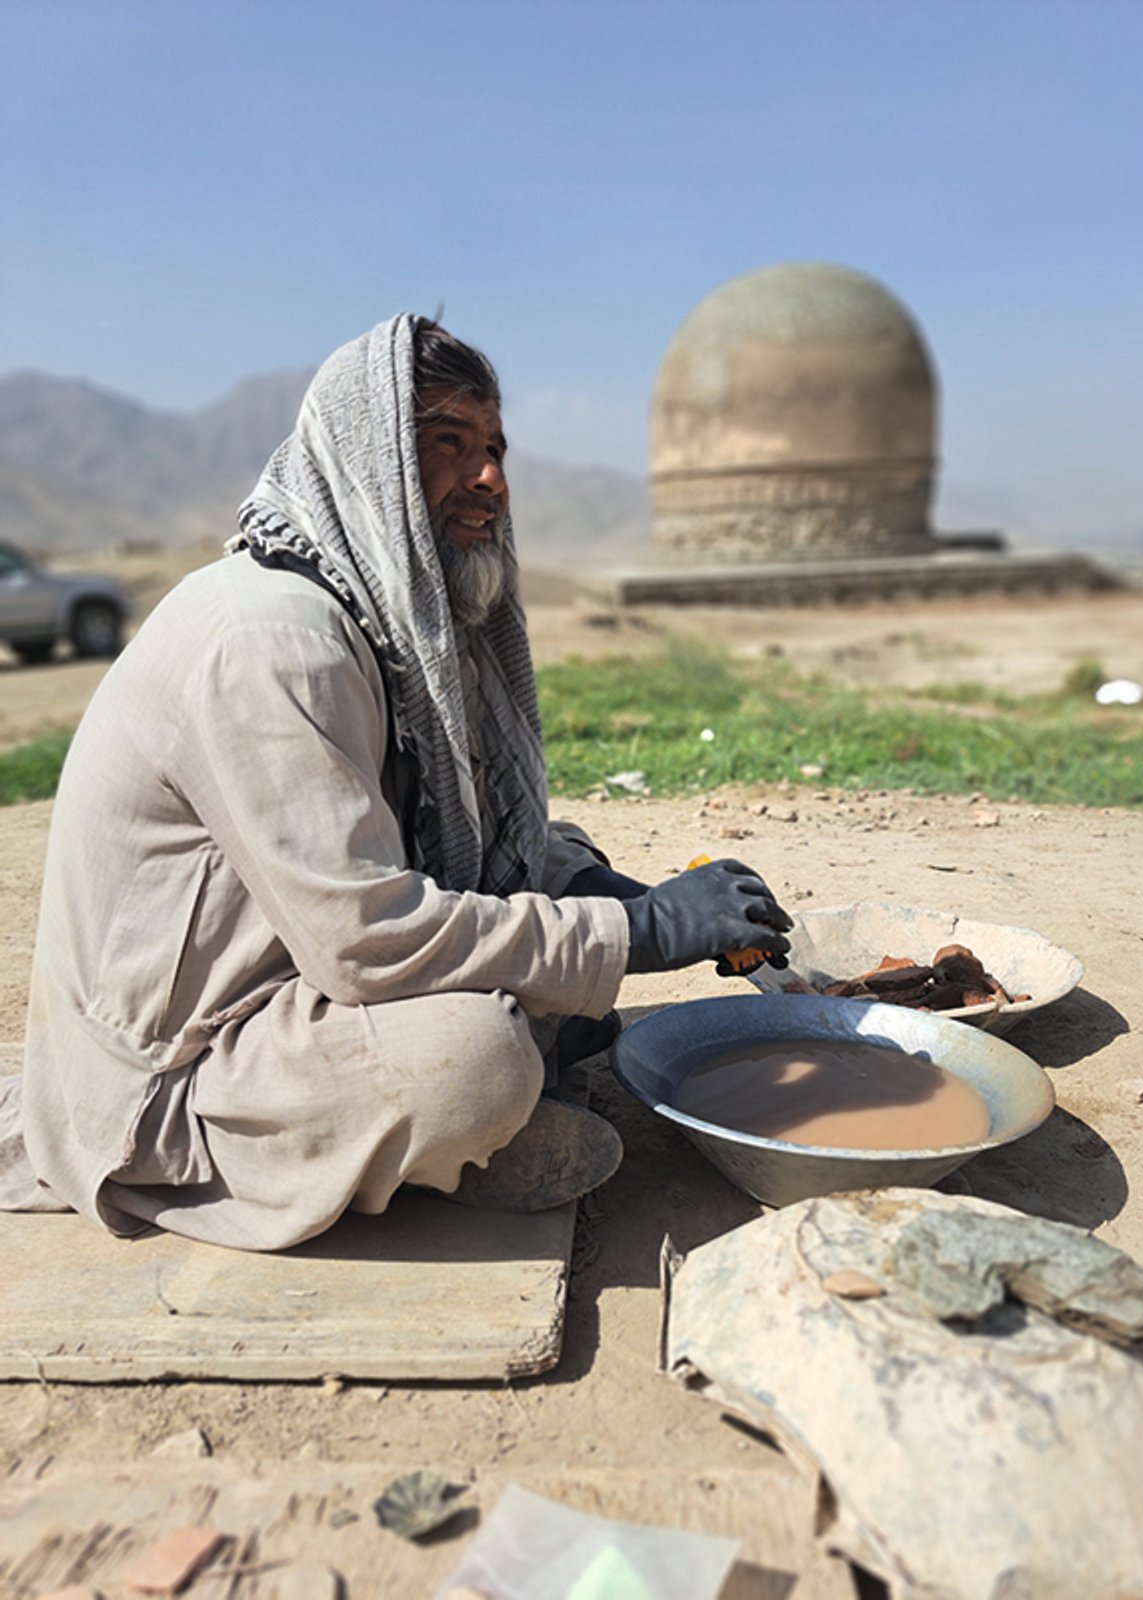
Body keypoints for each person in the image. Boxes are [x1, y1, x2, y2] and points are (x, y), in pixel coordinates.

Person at [0, 314, 792, 1251]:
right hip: (185, 1064)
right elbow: (364, 941)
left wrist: (610, 897)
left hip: (285, 978)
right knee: (476, 1059)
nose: (489, 478)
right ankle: (330, 1163)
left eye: (493, 448)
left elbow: (478, 820)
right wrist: (642, 932)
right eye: (448, 445)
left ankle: (423, 1136)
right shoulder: (272, 642)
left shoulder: (385, 621)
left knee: (559, 856)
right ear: (365, 462)